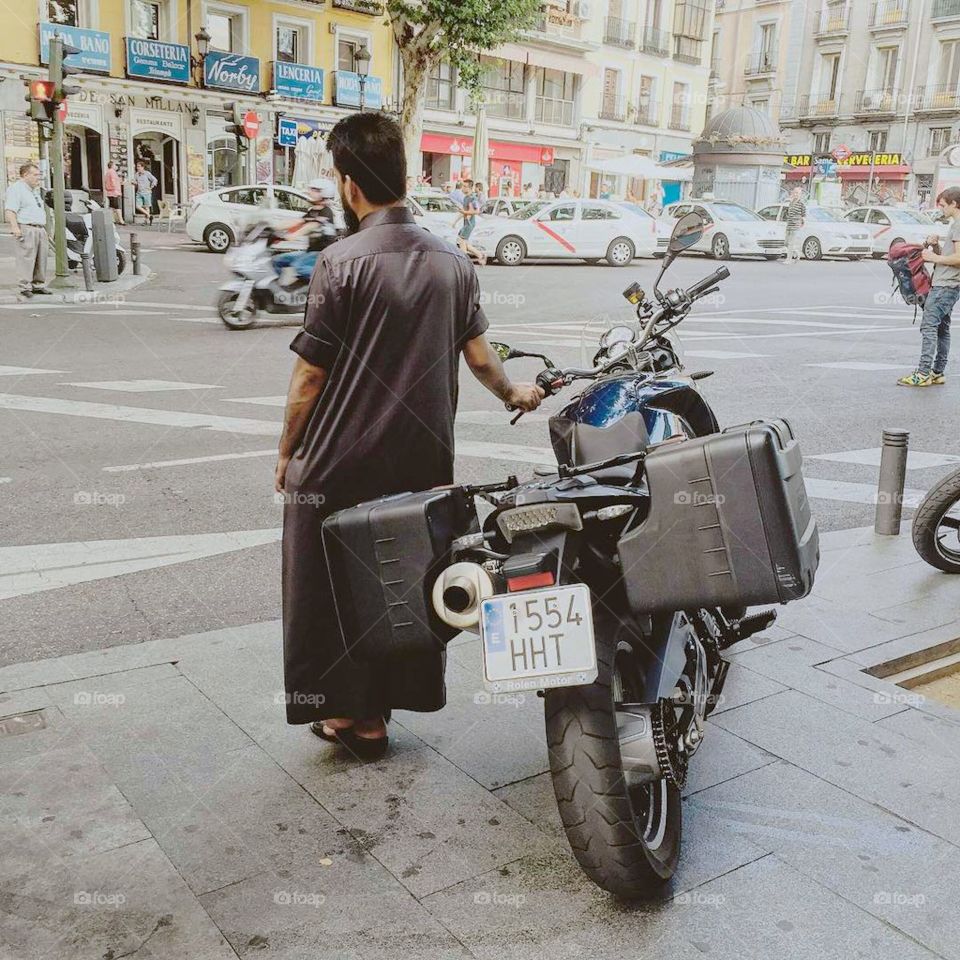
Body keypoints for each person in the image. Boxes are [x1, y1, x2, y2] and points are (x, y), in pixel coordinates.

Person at [276, 112, 543, 756]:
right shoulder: (453, 260)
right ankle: (376, 718)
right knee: (398, 581)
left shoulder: (339, 262)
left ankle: (349, 716)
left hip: (338, 460)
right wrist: (517, 393)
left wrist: (287, 453)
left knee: (327, 586)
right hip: (420, 463)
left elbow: (310, 378)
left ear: (348, 184)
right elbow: (481, 359)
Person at [898, 187, 960, 387]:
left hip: (946, 285)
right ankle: (937, 372)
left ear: (954, 204)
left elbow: (959, 258)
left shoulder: (958, 225)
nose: (941, 209)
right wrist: (938, 247)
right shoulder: (954, 225)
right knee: (942, 328)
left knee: (929, 326)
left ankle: (923, 373)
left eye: (943, 205)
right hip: (950, 283)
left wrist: (934, 257)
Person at [273, 178, 339, 285]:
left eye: (314, 189)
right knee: (278, 260)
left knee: (299, 266)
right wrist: (271, 227)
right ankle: (277, 292)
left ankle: (328, 283)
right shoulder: (313, 211)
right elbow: (297, 221)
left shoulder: (326, 212)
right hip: (309, 252)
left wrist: (292, 235)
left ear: (323, 192)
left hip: (322, 254)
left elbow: (311, 226)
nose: (309, 191)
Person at [5, 161, 51, 300]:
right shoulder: (16, 189)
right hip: (26, 227)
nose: (38, 178)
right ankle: (25, 286)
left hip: (39, 227)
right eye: (35, 175)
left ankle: (38, 284)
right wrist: (15, 227)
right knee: (26, 257)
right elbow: (10, 209)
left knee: (40, 257)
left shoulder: (34, 191)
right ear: (25, 175)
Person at [455, 179, 486, 266]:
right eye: (463, 186)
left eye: (465, 187)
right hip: (466, 223)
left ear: (470, 188)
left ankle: (464, 262)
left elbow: (476, 211)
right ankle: (480, 255)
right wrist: (455, 222)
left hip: (469, 223)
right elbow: (464, 211)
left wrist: (465, 212)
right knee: (464, 243)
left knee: (461, 241)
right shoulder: (466, 198)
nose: (463, 188)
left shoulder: (473, 198)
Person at [784, 187, 806, 264]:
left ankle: (789, 259)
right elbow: (788, 213)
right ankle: (796, 252)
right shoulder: (791, 202)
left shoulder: (801, 203)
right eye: (795, 193)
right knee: (786, 242)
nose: (796, 194)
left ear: (800, 194)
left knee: (791, 243)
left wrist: (802, 223)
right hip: (789, 225)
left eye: (797, 193)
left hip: (795, 225)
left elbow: (804, 215)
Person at [104, 161, 124, 225]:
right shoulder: (112, 172)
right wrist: (115, 188)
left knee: (112, 207)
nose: (116, 166)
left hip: (109, 192)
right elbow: (113, 181)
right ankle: (121, 220)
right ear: (112, 165)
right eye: (115, 165)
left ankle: (112, 220)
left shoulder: (107, 172)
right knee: (118, 207)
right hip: (115, 192)